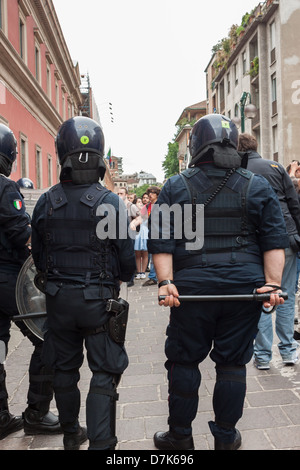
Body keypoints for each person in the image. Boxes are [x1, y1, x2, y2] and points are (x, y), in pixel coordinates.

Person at [147, 114, 289, 451]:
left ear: (196, 145)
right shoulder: (258, 185)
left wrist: (166, 281)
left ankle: (179, 436)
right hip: (244, 291)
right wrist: (272, 285)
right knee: (232, 363)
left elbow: (162, 240)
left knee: (184, 362)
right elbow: (274, 240)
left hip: (192, 291)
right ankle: (226, 436)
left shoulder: (175, 185)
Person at [31, 116, 136, 450]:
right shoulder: (109, 202)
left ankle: (71, 434)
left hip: (59, 300)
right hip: (98, 302)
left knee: (64, 370)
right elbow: (125, 254)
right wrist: (126, 275)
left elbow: (38, 254)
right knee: (104, 372)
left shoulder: (47, 200)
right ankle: (102, 444)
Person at [0, 124, 60, 440]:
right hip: (9, 281)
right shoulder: (6, 189)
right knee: (47, 337)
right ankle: (36, 413)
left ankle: (0, 417)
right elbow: (22, 235)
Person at [238, 133, 300, 369]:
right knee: (285, 295)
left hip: (257, 241)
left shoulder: (239, 170)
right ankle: (288, 351)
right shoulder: (274, 167)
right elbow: (294, 203)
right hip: (286, 235)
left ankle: (263, 356)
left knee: (262, 296)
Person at [117, 187, 140, 287]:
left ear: (126, 195)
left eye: (121, 193)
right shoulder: (115, 205)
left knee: (130, 254)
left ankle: (131, 278)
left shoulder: (131, 206)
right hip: (119, 234)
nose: (119, 195)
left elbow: (140, 217)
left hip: (130, 234)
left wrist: (133, 223)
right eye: (117, 193)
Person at [142, 187, 160, 286]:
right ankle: (153, 277)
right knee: (153, 254)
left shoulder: (162, 204)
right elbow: (140, 217)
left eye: (153, 193)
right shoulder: (147, 206)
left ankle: (155, 276)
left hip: (160, 232)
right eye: (149, 193)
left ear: (157, 194)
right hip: (151, 232)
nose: (150, 195)